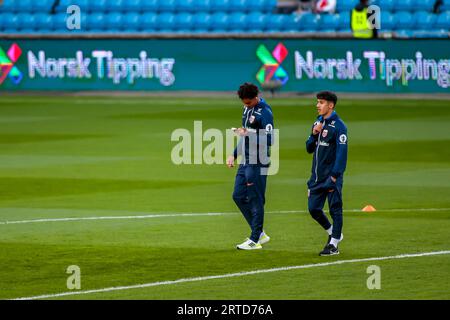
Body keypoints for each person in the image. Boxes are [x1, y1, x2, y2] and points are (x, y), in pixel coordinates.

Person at [227, 82, 274, 250]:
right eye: (243, 102)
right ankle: (259, 233)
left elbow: (269, 140)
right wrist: (234, 153)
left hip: (258, 160)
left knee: (256, 198)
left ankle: (255, 239)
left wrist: (249, 133)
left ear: (256, 97)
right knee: (238, 195)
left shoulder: (265, 112)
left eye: (248, 102)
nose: (245, 105)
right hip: (246, 159)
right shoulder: (247, 109)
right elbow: (245, 135)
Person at [305, 91, 348, 256]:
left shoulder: (339, 127)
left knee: (335, 209)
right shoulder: (317, 122)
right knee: (313, 209)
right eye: (317, 102)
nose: (317, 105)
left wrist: (335, 176)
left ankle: (334, 244)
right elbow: (309, 148)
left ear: (330, 105)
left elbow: (342, 154)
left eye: (321, 102)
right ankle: (332, 232)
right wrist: (314, 134)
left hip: (331, 176)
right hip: (316, 178)